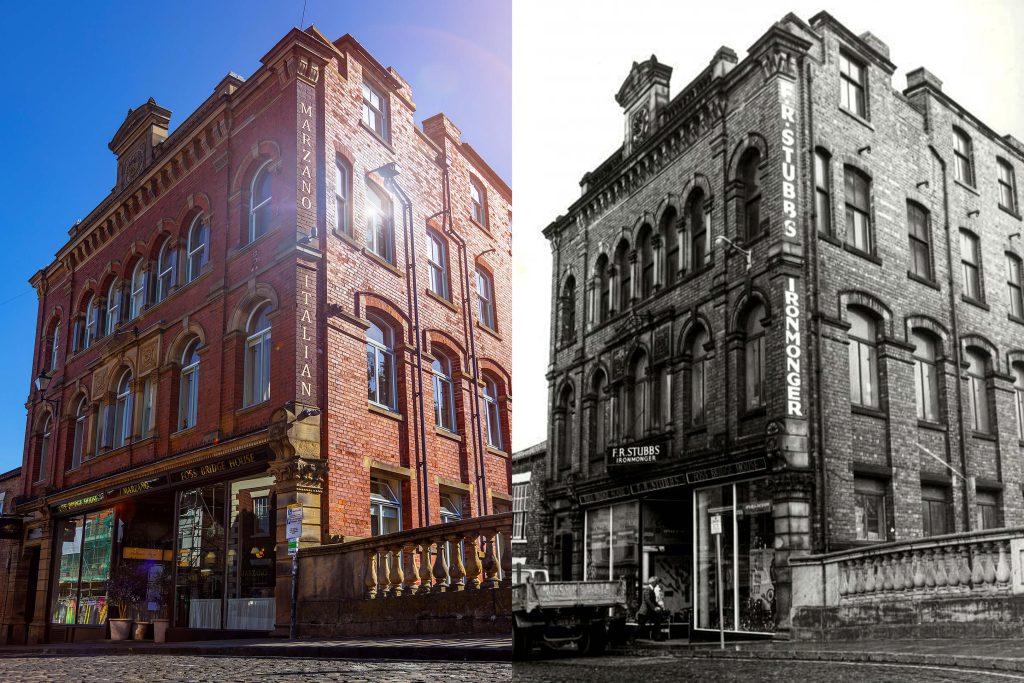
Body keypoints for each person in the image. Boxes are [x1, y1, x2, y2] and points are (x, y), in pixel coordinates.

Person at [636, 575, 665, 640]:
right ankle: (631, 637)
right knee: (641, 626)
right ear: (653, 582)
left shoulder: (651, 590)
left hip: (649, 612)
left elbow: (653, 601)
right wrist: (655, 608)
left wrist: (659, 606)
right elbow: (648, 600)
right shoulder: (647, 589)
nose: (657, 583)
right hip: (644, 612)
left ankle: (657, 637)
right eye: (656, 582)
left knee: (657, 620)